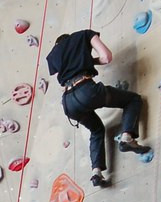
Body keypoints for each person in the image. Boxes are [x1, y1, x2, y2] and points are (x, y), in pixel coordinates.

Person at [46, 29, 150, 189]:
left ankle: (96, 172)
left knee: (96, 131)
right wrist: (89, 60)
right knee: (133, 100)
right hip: (86, 90)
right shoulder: (83, 35)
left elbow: (64, 74)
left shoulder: (53, 55)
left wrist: (84, 61)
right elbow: (107, 57)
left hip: (68, 103)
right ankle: (127, 138)